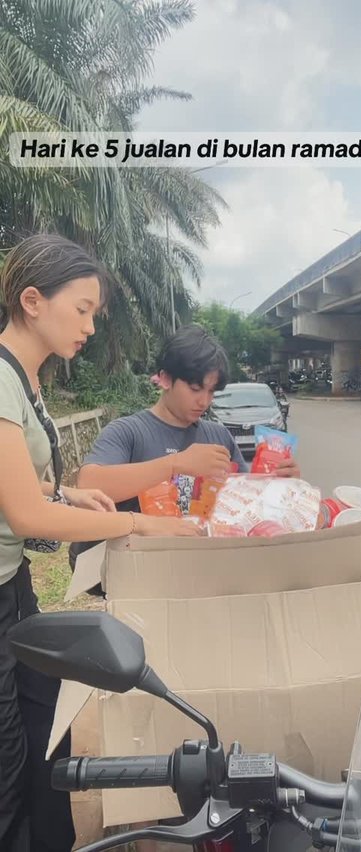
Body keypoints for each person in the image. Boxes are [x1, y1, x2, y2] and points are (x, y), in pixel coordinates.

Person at [0, 234, 198, 852]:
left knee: (43, 721)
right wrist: (134, 523)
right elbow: (26, 514)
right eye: (82, 308)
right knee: (8, 749)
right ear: (33, 300)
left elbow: (24, 489)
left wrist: (66, 495)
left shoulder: (24, 378)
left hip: (14, 583)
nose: (89, 324)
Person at [78, 324, 300, 512]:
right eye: (195, 388)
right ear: (165, 379)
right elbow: (89, 484)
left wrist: (279, 485)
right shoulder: (128, 432)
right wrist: (176, 464)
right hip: (142, 559)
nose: (204, 401)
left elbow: (245, 503)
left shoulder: (218, 436)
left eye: (212, 392)